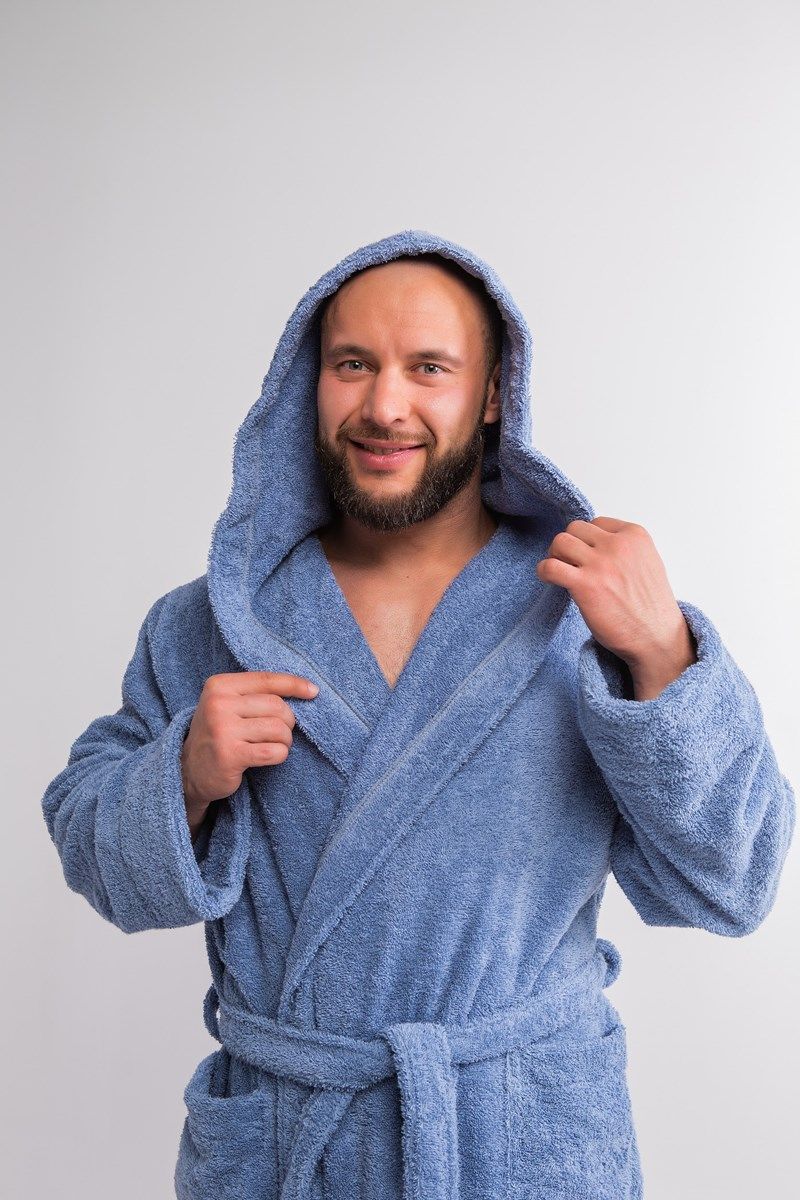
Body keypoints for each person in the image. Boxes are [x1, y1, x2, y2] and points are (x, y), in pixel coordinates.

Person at [42, 229, 796, 1200]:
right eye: (352, 364)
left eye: (428, 368)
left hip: (519, 1146)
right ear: (309, 382)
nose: (383, 406)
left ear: (492, 394)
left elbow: (736, 883)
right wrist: (183, 775)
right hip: (287, 1146)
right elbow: (94, 856)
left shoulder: (584, 614)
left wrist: (663, 656)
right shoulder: (211, 625)